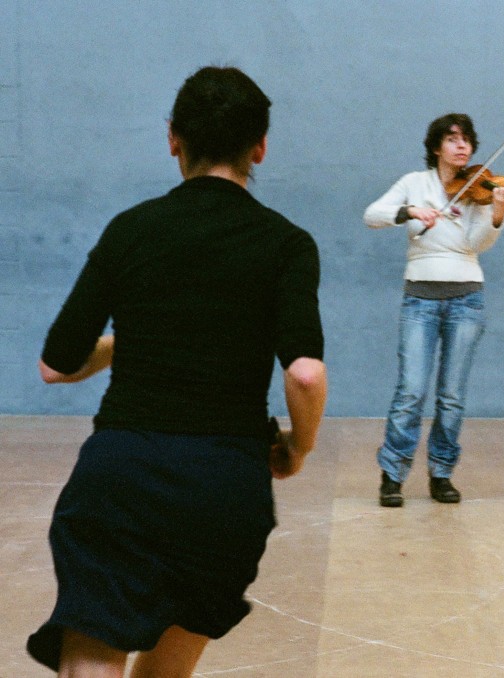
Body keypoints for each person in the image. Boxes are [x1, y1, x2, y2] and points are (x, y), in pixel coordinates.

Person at [28, 66, 327, 677]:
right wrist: (297, 448)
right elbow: (303, 375)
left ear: (173, 138)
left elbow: (55, 366)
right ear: (260, 148)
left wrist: (125, 341)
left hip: (122, 474)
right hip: (225, 486)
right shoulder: (286, 243)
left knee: (93, 655)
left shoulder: (130, 230)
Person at [365, 113, 504, 507]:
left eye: (467, 140)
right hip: (420, 297)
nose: (462, 146)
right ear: (436, 147)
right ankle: (393, 474)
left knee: (452, 395)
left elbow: (475, 243)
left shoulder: (478, 186)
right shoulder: (413, 183)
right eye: (453, 139)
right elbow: (372, 216)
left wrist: (499, 214)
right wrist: (410, 212)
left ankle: (441, 473)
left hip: (466, 297)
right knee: (411, 391)